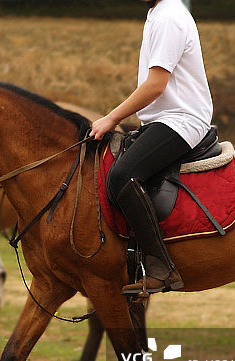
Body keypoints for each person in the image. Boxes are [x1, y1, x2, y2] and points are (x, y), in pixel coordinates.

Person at [90, 0, 213, 295]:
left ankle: (161, 267)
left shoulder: (169, 16)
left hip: (182, 121)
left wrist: (111, 117)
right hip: (163, 120)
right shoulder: (157, 14)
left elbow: (156, 85)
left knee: (122, 176)